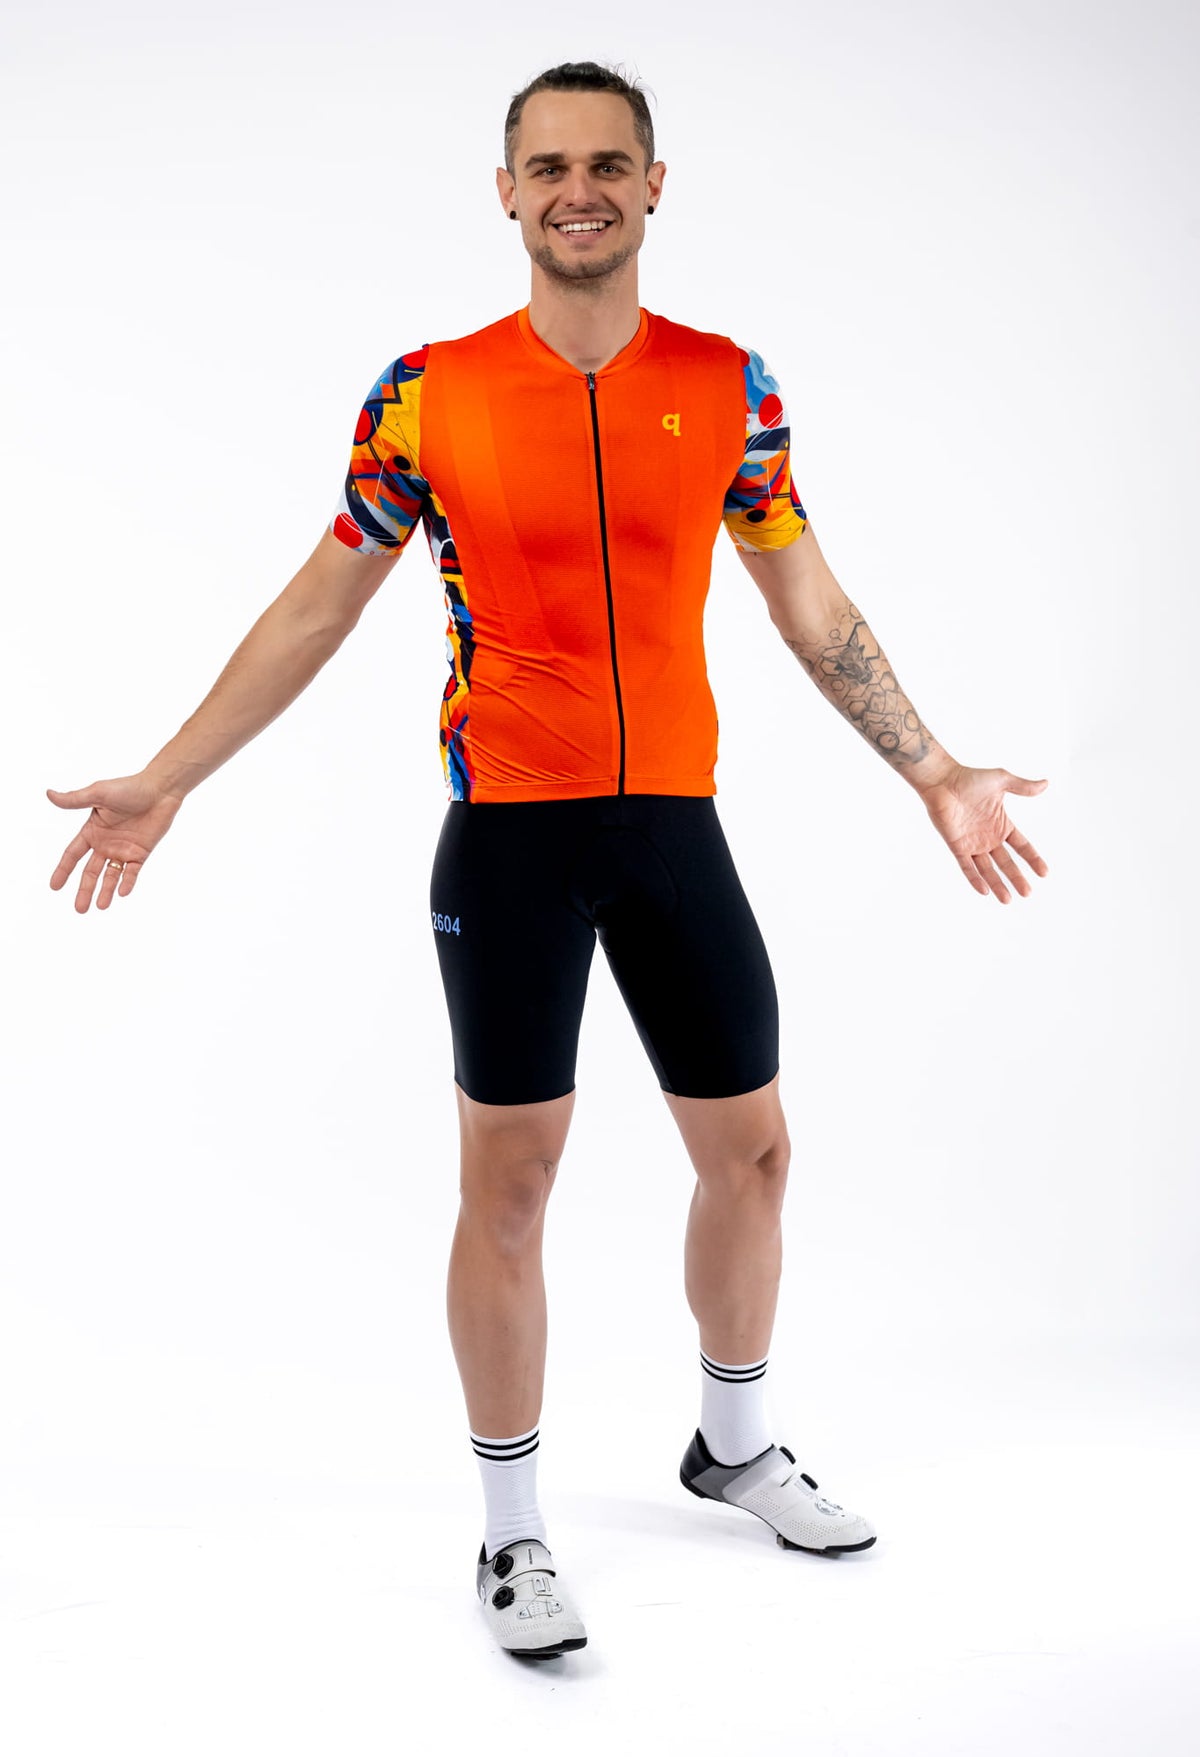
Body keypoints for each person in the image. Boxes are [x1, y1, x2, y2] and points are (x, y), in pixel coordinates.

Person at [47, 61, 1049, 1661]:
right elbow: (319, 603)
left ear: (655, 186)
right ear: (506, 193)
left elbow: (808, 601)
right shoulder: (425, 395)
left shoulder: (732, 386)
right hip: (509, 838)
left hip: (673, 829)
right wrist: (169, 779)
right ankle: (512, 1534)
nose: (579, 190)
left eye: (608, 163)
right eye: (548, 166)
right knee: (509, 1183)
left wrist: (934, 769)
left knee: (756, 1155)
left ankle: (733, 1446)